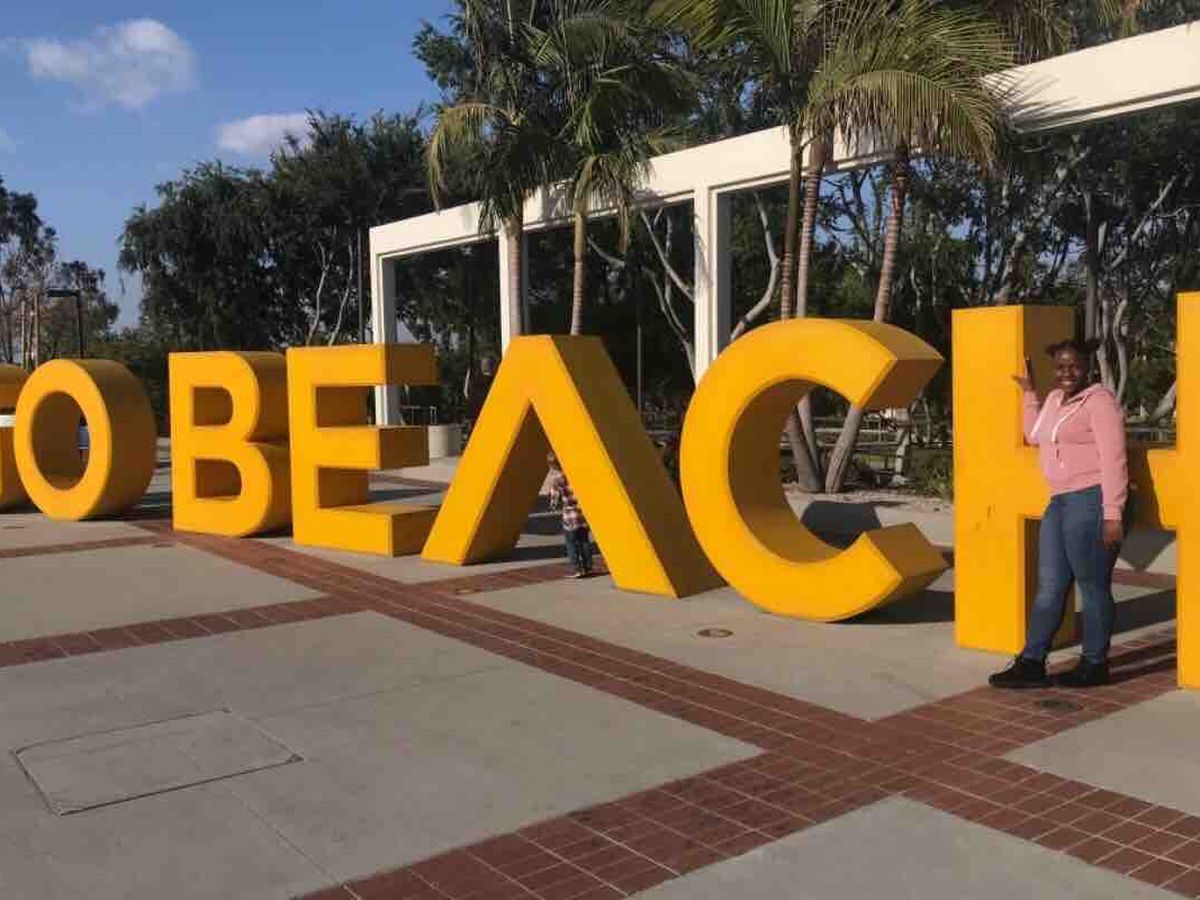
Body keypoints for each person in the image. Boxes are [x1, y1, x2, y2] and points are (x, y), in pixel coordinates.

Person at [989, 338, 1128, 690]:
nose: (1067, 373)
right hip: (1059, 502)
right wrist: (1029, 393)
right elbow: (1035, 435)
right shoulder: (1054, 398)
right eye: (1061, 366)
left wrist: (1113, 513)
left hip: (1091, 500)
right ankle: (1031, 662)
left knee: (1093, 587)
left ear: (1088, 367)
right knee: (1050, 586)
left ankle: (1094, 664)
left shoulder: (1100, 402)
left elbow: (1114, 459)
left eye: (1074, 366)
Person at [546, 451, 593, 578]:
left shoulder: (557, 480)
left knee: (571, 543)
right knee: (584, 540)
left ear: (552, 466)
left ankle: (577, 569)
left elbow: (554, 500)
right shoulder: (576, 474)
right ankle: (588, 567)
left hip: (569, 515)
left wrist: (552, 506)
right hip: (582, 513)